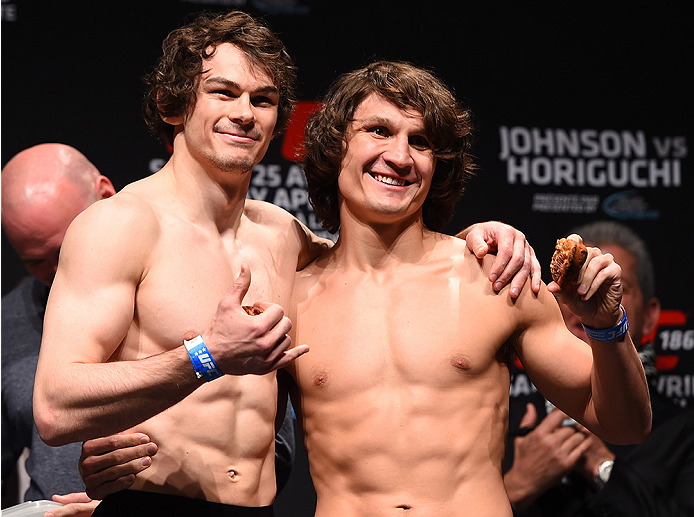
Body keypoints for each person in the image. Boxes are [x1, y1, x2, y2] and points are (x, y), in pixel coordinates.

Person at [78, 61, 651, 516]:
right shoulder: (287, 293)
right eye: (378, 131)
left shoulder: (492, 275)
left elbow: (624, 425)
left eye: (421, 142)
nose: (399, 157)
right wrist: (118, 475)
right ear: (335, 150)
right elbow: (221, 437)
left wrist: (608, 329)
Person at [32, 12, 539, 516]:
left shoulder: (283, 236)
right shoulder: (120, 225)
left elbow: (380, 266)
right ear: (171, 105)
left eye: (263, 100)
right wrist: (205, 355)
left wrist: (476, 240)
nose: (245, 113)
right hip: (155, 503)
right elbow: (55, 407)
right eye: (224, 93)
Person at [504, 220, 693, 516]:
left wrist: (602, 467)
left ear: (650, 316)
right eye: (574, 283)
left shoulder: (682, 434)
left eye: (614, 285)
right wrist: (518, 485)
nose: (586, 295)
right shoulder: (508, 419)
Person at [1, 143, 117, 516]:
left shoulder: (188, 292)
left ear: (105, 195)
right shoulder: (6, 326)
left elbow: (268, 452)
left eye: (69, 247)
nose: (59, 272)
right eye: (37, 260)